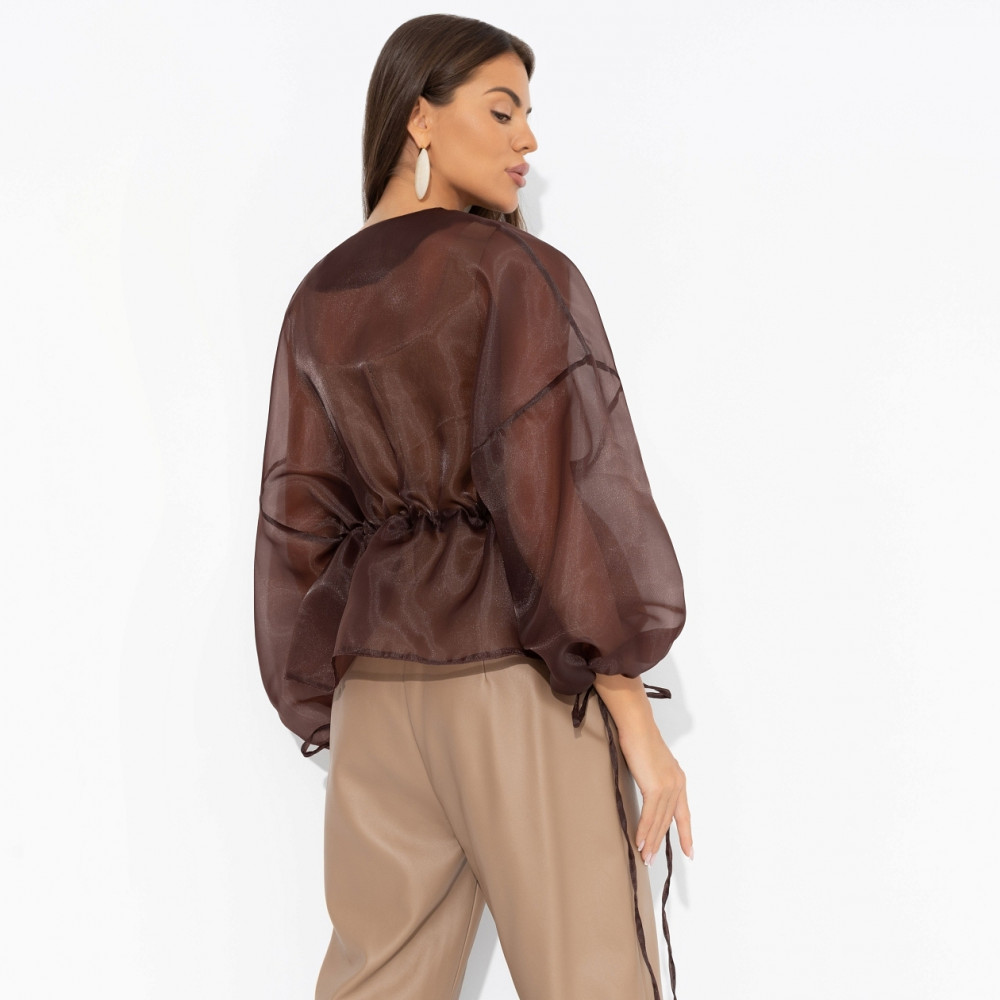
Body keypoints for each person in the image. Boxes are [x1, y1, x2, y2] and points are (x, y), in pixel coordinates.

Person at [253, 14, 692, 1000]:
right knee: (590, 979)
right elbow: (557, 504)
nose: (527, 139)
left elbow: (298, 525)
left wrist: (336, 696)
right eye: (501, 111)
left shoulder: (316, 299)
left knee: (375, 982)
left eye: (526, 114)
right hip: (509, 682)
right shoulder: (514, 272)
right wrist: (633, 715)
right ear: (419, 117)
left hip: (374, 694)